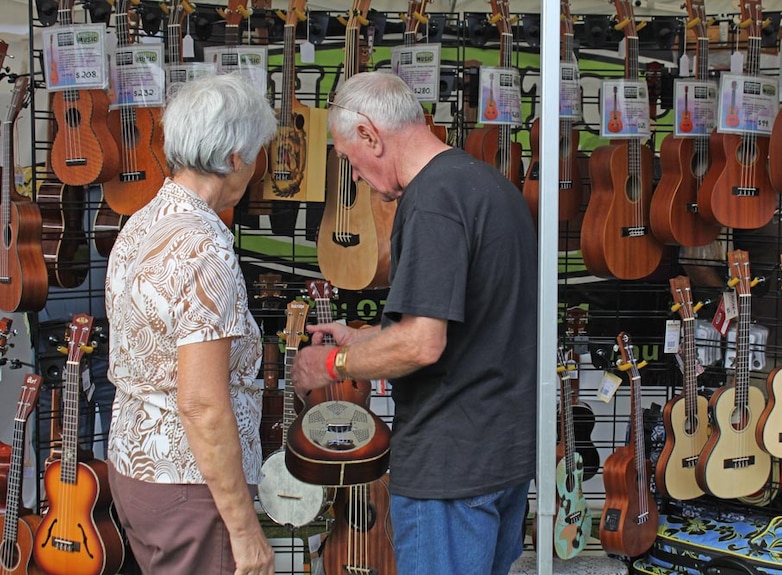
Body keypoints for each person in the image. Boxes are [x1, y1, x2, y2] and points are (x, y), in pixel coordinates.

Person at [292, 71, 538, 575]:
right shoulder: (488, 184)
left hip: (450, 467)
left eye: (347, 159)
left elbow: (423, 344)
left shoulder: (432, 202)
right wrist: (370, 339)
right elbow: (473, 326)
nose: (354, 176)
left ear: (368, 134)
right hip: (501, 453)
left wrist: (333, 363)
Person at [104, 73, 277, 575]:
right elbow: (201, 403)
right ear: (236, 157)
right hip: (190, 485)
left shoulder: (143, 221)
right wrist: (245, 532)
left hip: (137, 469)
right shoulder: (205, 246)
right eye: (258, 154)